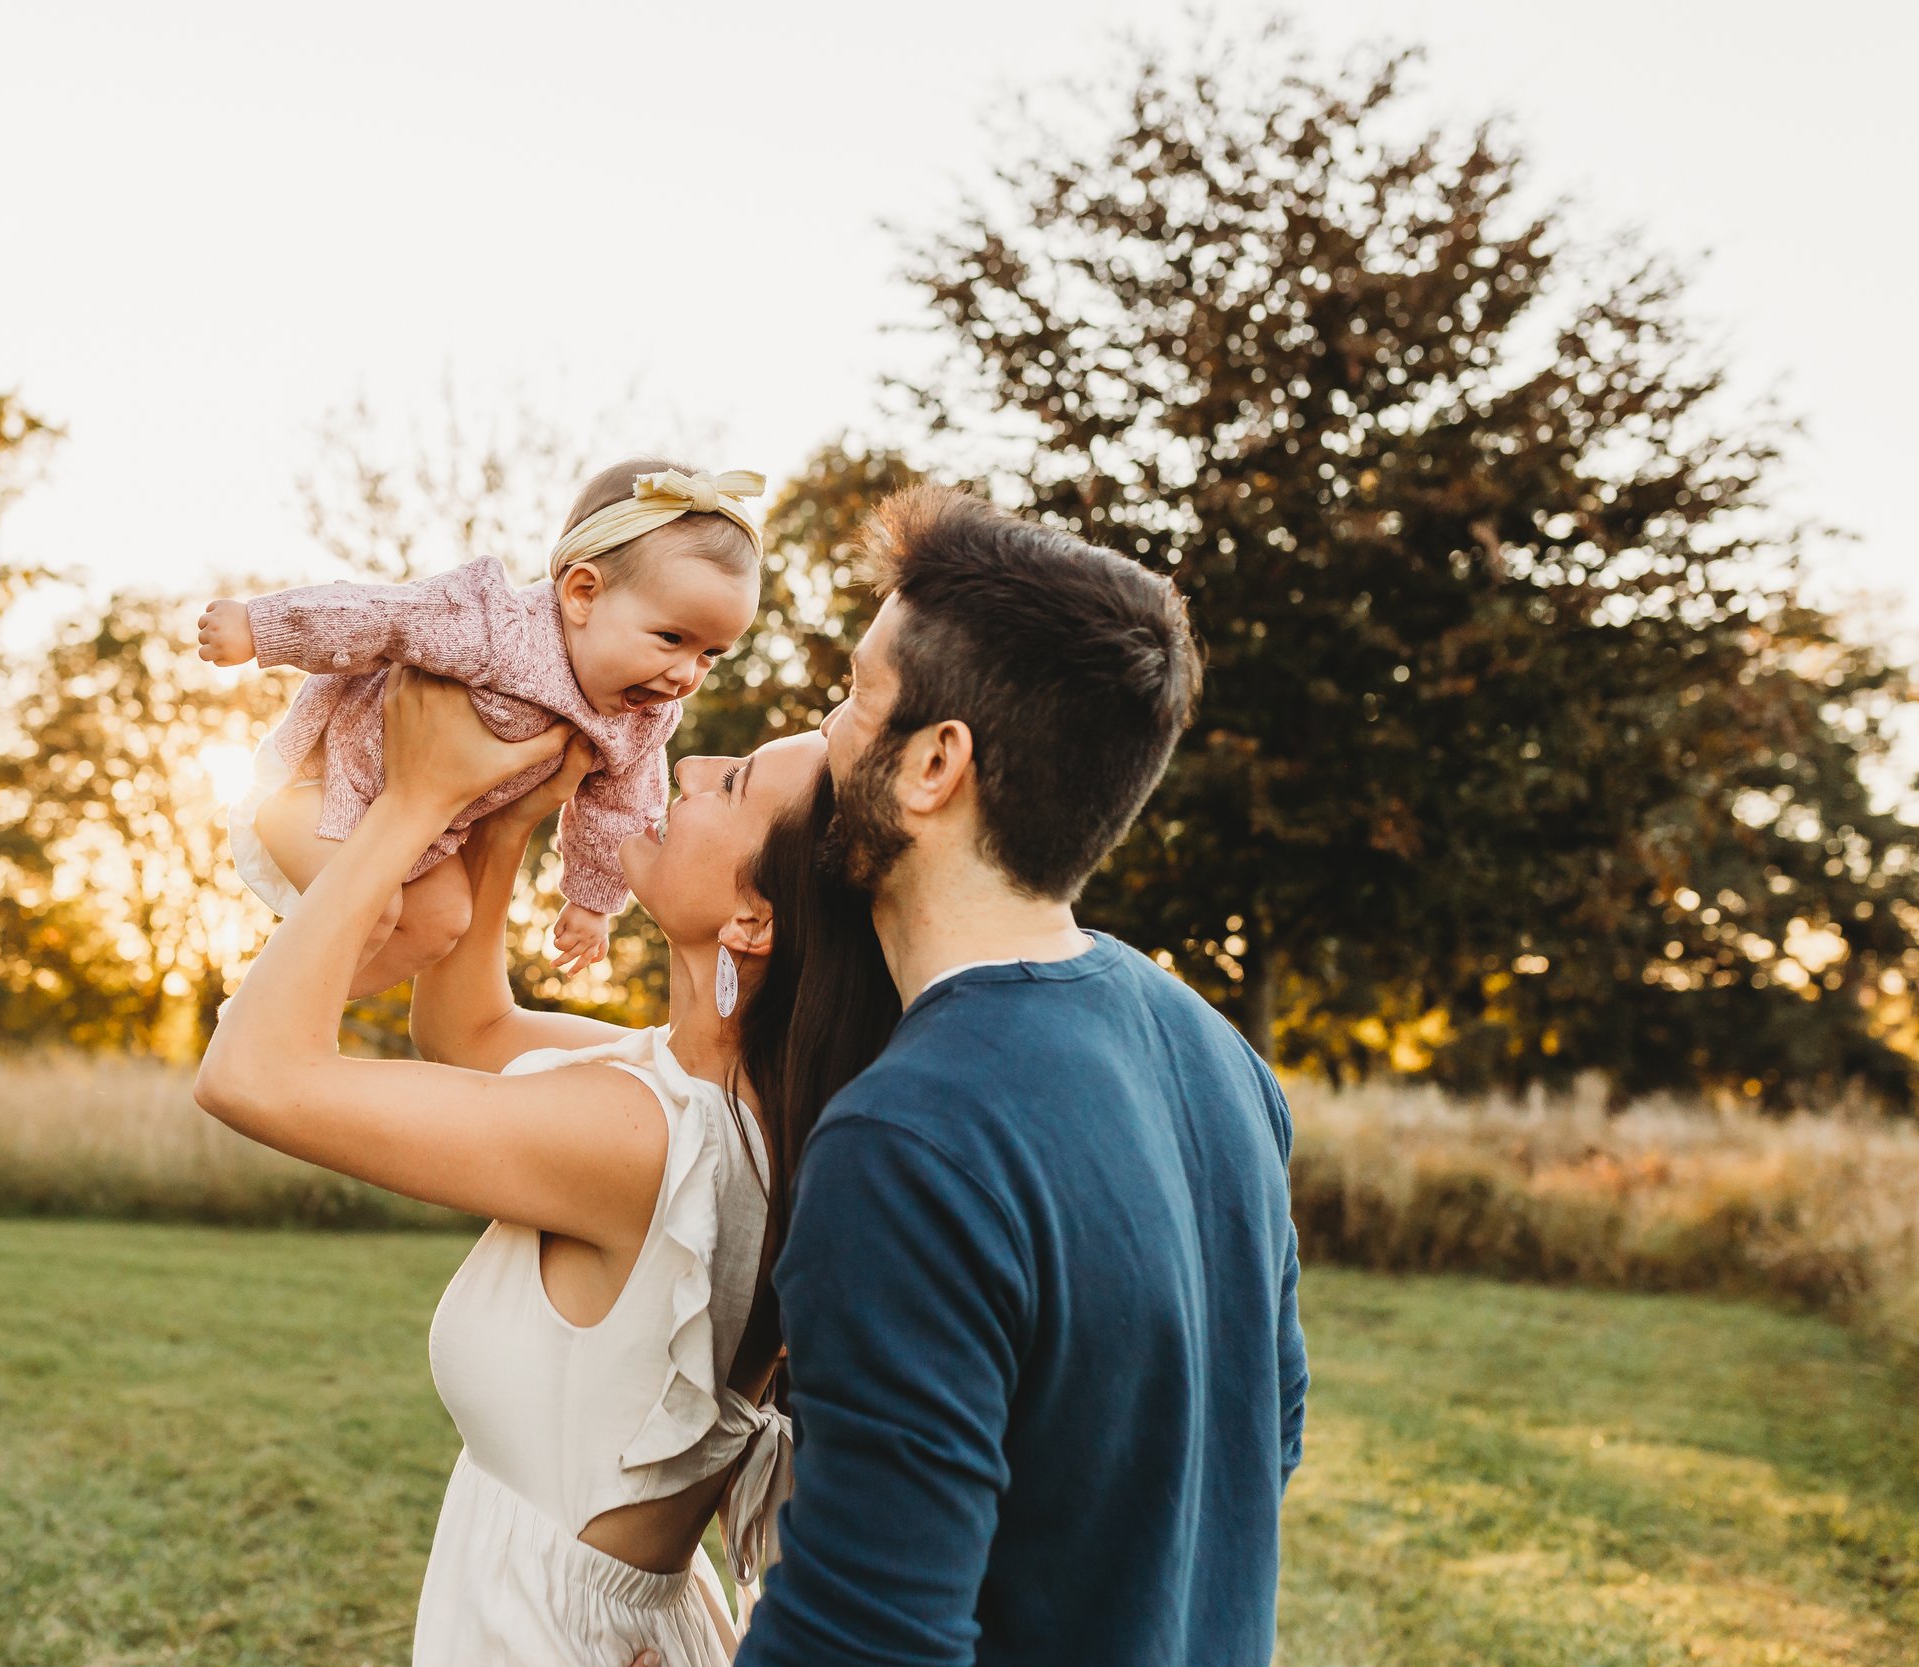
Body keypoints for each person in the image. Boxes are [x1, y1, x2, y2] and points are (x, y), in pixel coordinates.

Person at [712, 486, 1309, 1667]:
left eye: (855, 694)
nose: (829, 729)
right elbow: (1259, 1435)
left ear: (936, 761)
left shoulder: (908, 1137)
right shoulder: (1217, 1053)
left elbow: (865, 1640)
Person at [193, 667, 897, 1666]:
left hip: (540, 1633)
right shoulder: (709, 1100)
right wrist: (505, 817)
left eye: (732, 784)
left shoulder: (637, 1132)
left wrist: (416, 804)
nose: (689, 763)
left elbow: (251, 1074)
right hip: (597, 1619)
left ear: (754, 920)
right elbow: (465, 1025)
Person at [194, 459, 763, 996]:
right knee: (375, 909)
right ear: (583, 594)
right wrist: (261, 627)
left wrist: (592, 900)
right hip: (318, 793)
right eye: (671, 638)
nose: (686, 674)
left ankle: (281, 1013)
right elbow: (384, 617)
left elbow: (620, 809)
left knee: (443, 922)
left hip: (424, 837)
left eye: (711, 653)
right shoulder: (496, 628)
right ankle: (270, 1022)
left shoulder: (642, 718)